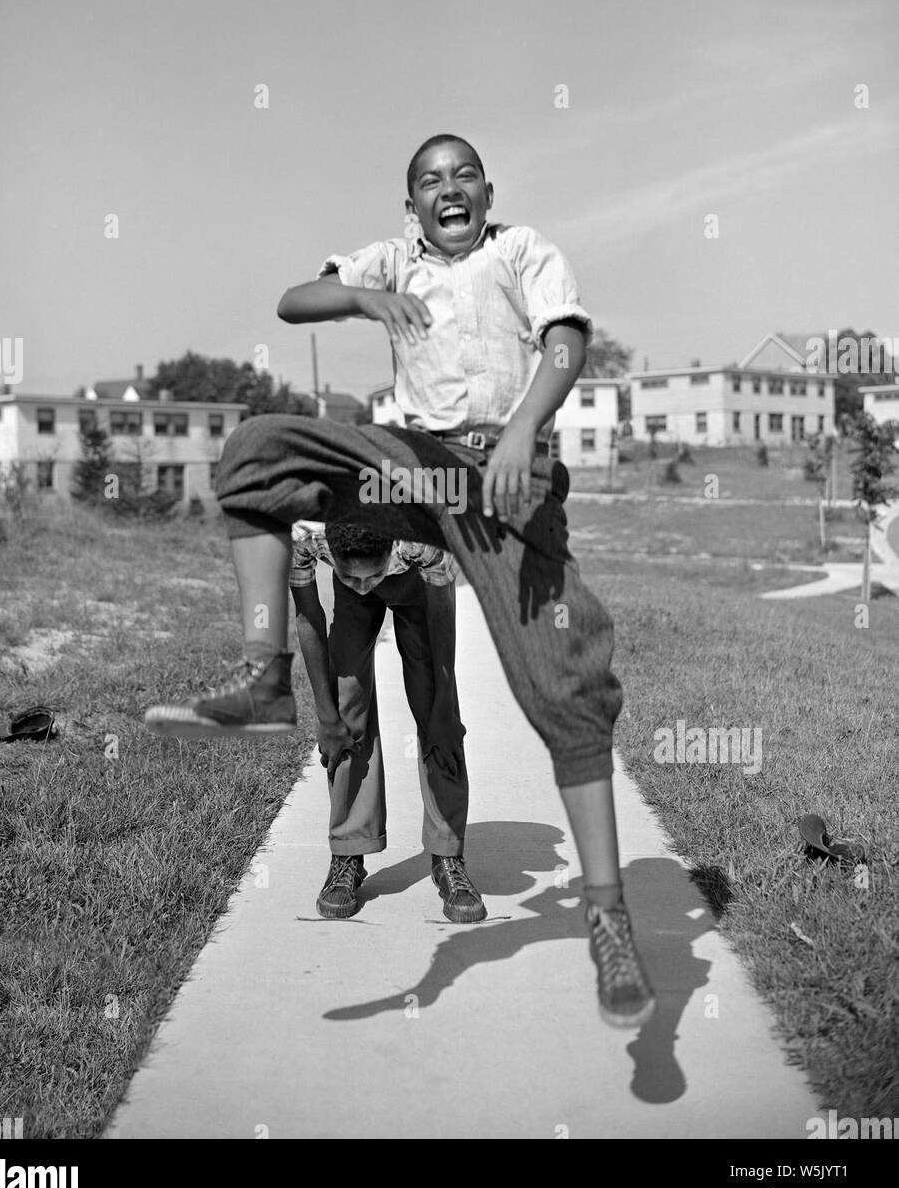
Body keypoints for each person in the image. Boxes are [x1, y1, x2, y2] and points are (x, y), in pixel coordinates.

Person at [144, 133, 655, 1029]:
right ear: (410, 204)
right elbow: (294, 301)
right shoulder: (393, 260)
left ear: (488, 190)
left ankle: (608, 916)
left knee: (564, 681)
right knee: (260, 451)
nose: (448, 189)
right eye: (429, 181)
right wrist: (364, 294)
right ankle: (265, 682)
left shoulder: (521, 250)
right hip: (410, 464)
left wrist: (524, 430)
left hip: (502, 470)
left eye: (463, 176)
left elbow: (566, 342)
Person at [288, 518, 485, 923]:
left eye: (372, 576)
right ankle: (348, 853)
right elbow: (308, 615)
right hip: (358, 575)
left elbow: (442, 618)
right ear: (331, 552)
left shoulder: (424, 538)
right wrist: (327, 719)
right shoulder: (306, 533)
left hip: (418, 589)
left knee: (437, 714)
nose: (364, 585)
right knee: (346, 711)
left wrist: (445, 708)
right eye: (350, 576)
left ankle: (448, 855)